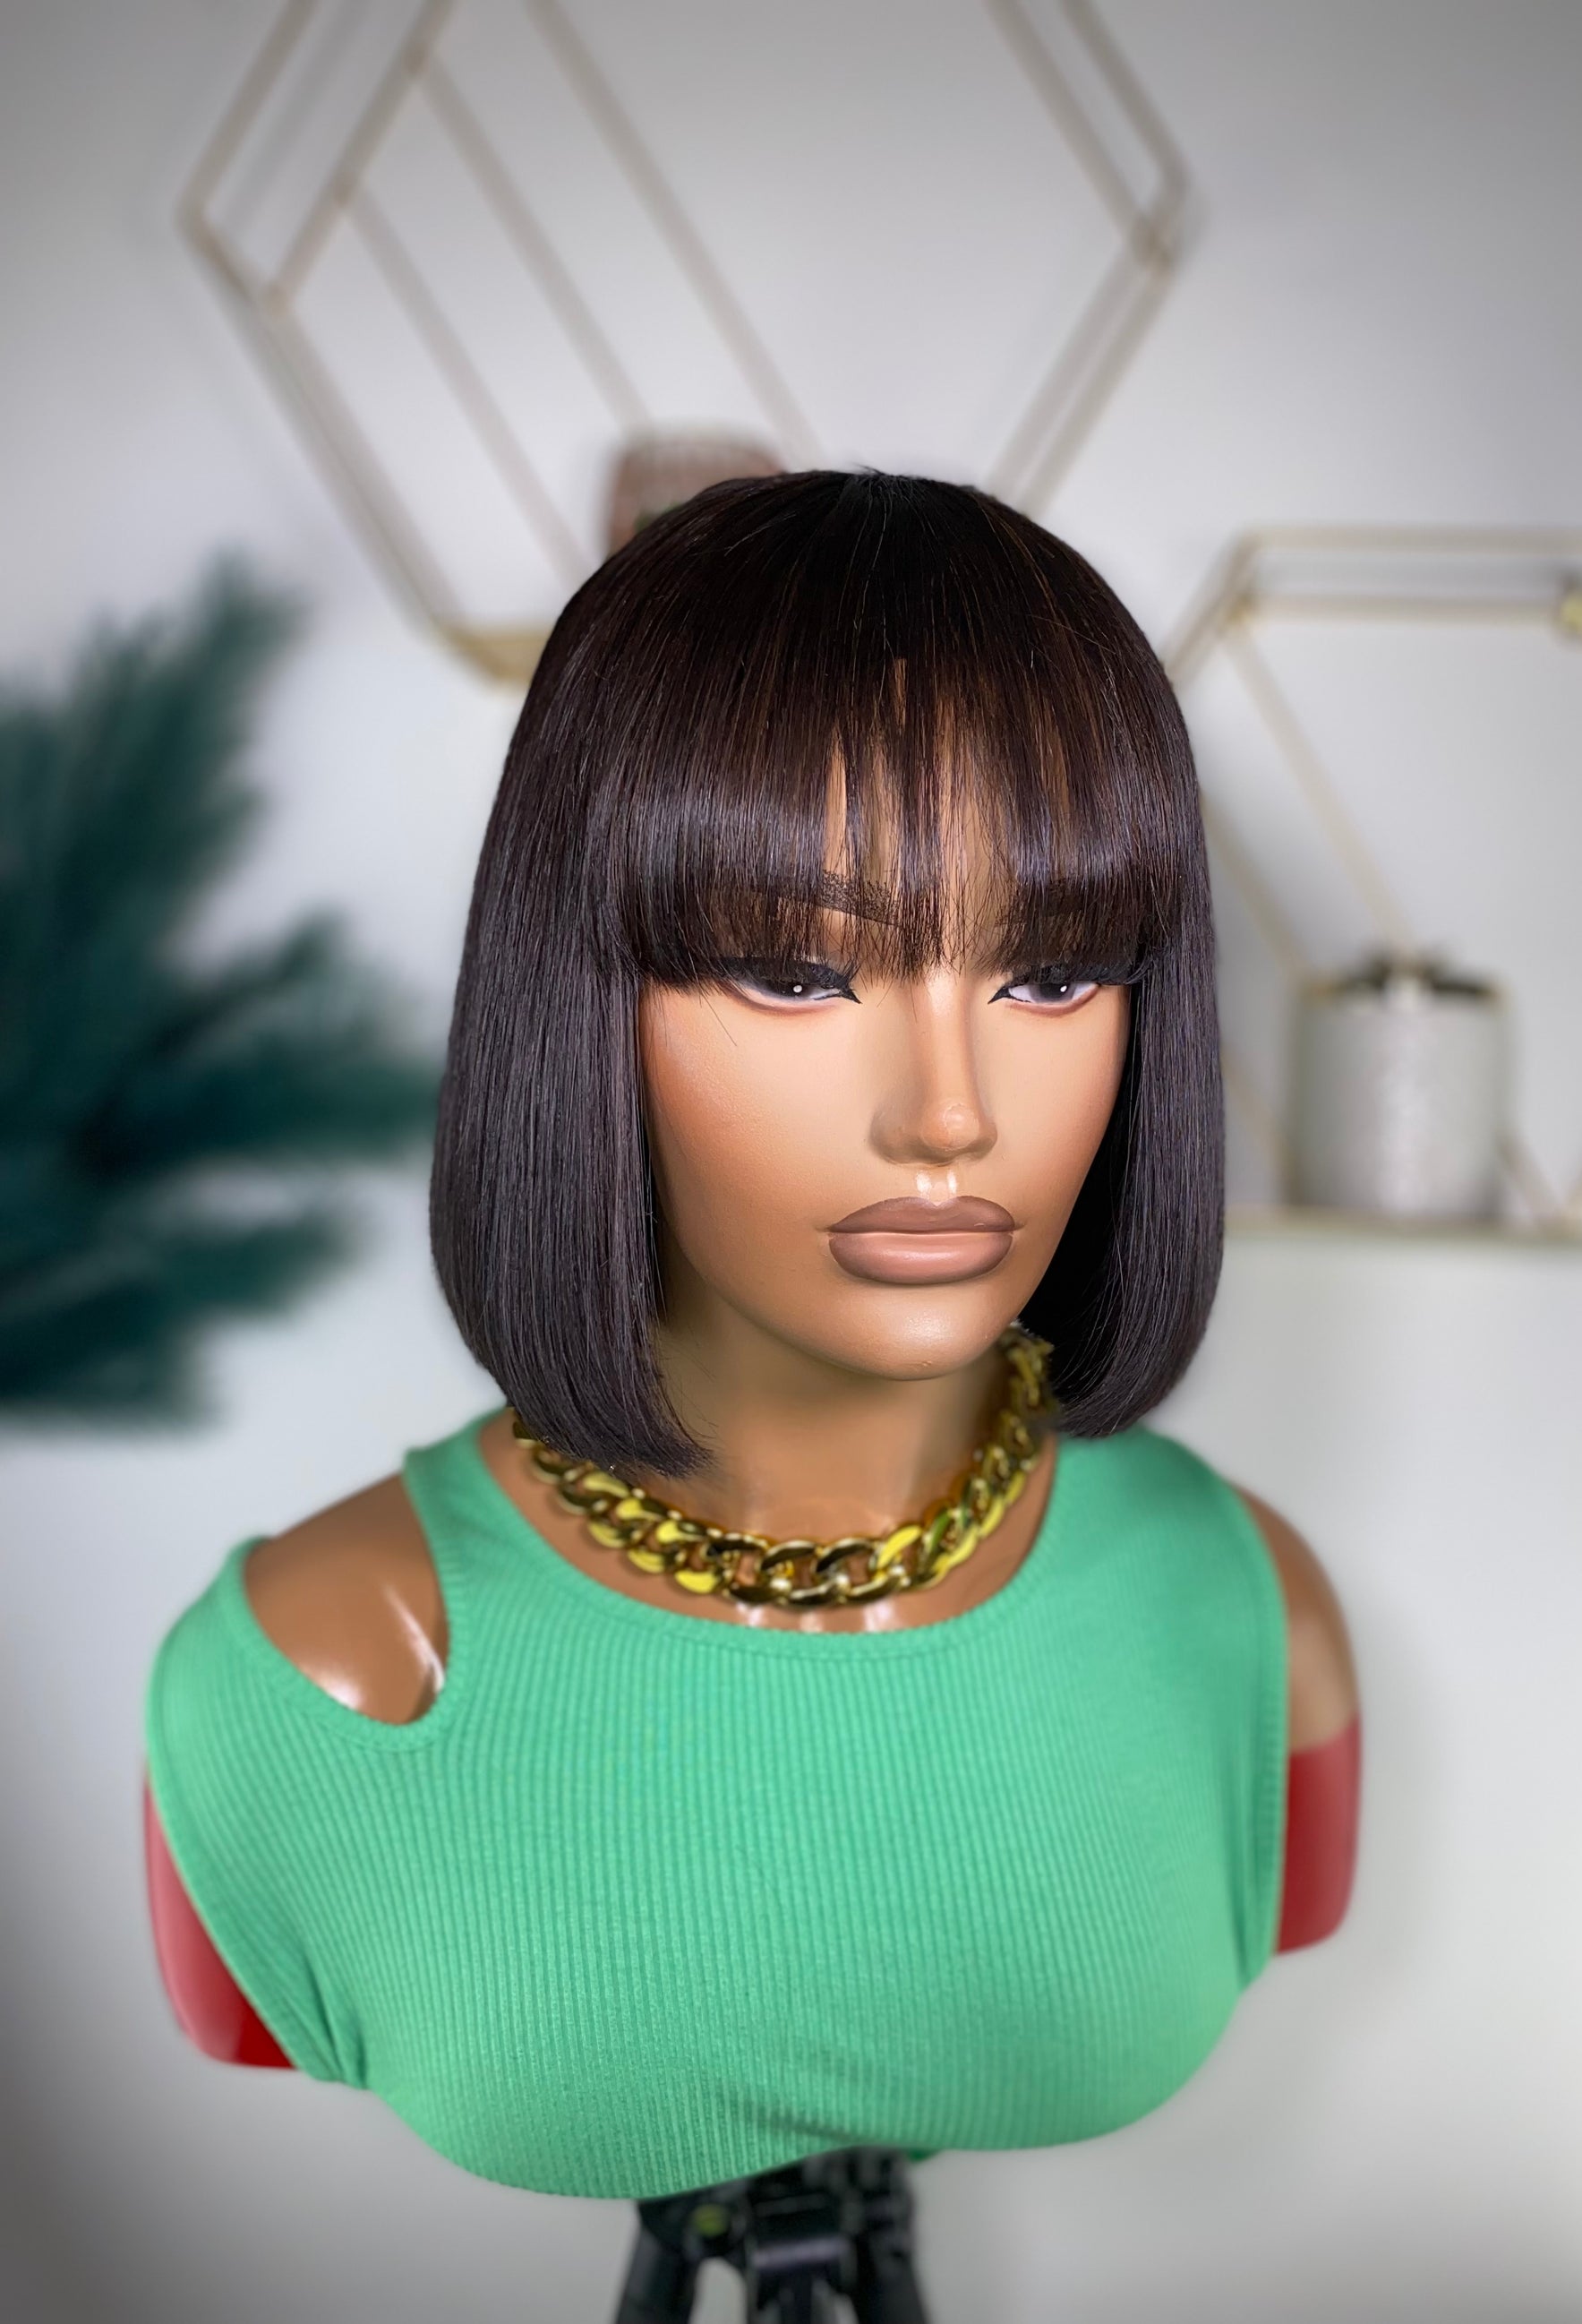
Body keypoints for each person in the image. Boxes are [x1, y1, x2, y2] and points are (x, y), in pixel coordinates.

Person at [145, 471, 1360, 2208]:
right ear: (581, 994)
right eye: (798, 973)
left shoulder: (1250, 1617)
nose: (948, 1113)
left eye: (1048, 976)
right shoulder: (316, 1673)